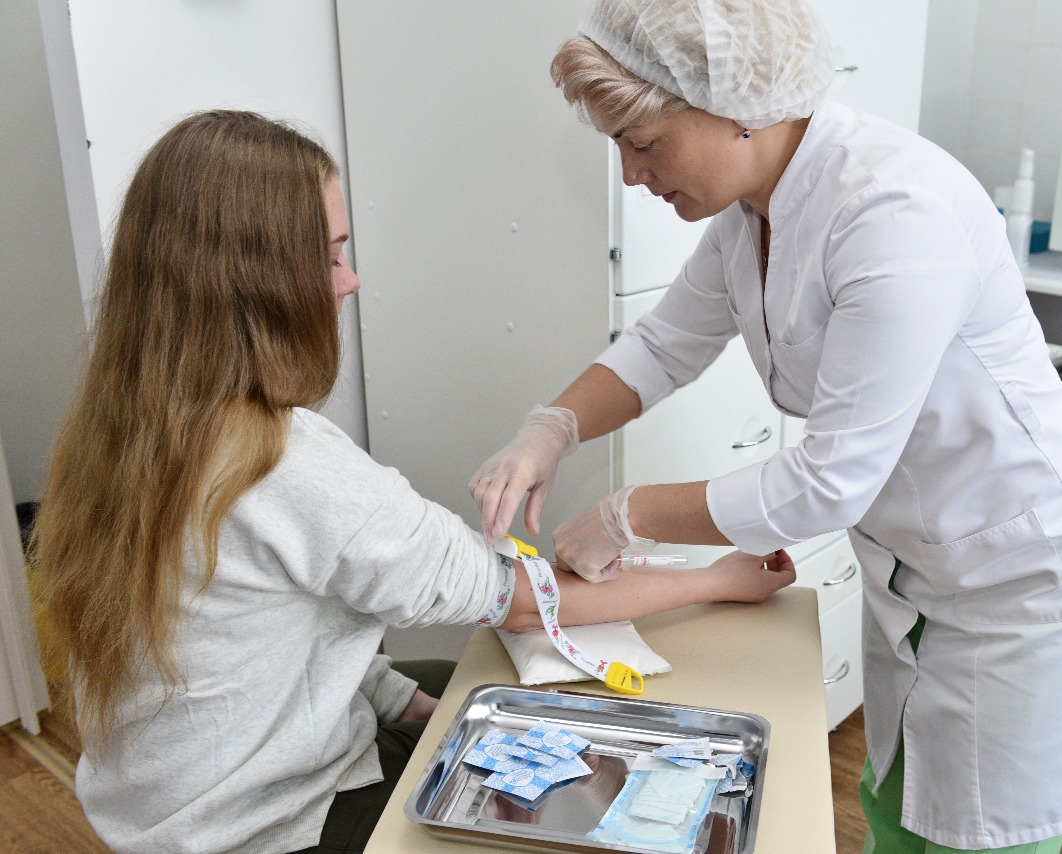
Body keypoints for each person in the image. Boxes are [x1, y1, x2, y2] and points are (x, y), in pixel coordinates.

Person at [468, 1, 1062, 851]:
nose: (631, 174)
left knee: (983, 836)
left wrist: (627, 514)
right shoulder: (755, 210)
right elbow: (663, 346)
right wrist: (550, 426)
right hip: (922, 566)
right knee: (900, 805)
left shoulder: (894, 212)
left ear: (735, 107)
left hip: (1026, 579)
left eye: (644, 142)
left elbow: (827, 482)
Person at [29, 109, 795, 854]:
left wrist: (408, 706)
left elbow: (264, 633)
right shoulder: (283, 460)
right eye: (331, 256)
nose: (352, 280)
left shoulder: (119, 425)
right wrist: (716, 580)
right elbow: (521, 602)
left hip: (162, 804)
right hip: (263, 826)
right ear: (258, 282)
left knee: (452, 684)